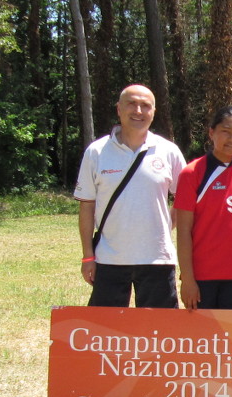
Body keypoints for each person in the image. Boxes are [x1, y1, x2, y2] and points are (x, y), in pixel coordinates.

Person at [75, 84, 186, 308]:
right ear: (119, 109)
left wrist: (165, 226)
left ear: (153, 112)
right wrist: (88, 256)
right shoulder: (96, 152)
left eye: (145, 106)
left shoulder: (169, 151)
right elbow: (86, 207)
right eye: (131, 104)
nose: (138, 111)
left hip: (157, 258)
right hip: (109, 259)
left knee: (158, 327)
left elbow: (185, 201)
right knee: (106, 327)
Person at [174, 106, 232, 310]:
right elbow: (183, 231)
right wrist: (187, 279)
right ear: (211, 133)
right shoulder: (192, 173)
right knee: (203, 332)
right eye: (226, 131)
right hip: (202, 277)